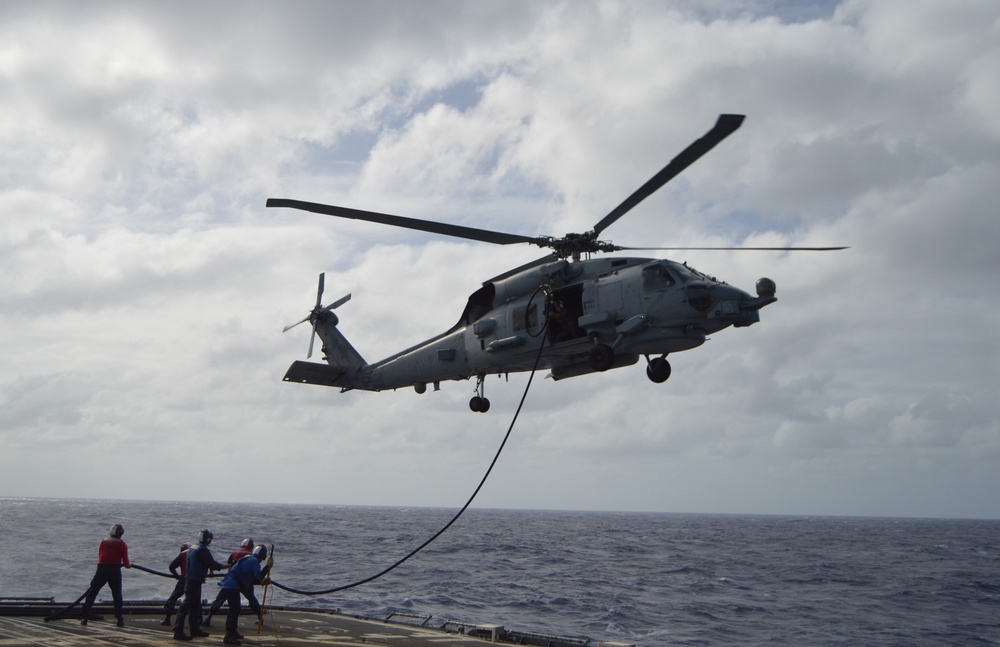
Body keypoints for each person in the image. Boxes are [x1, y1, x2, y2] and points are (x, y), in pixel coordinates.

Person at [173, 529, 228, 641]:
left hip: (191, 578)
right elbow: (212, 564)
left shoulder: (193, 547)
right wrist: (229, 565)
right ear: (207, 539)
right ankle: (179, 631)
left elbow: (201, 562)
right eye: (210, 539)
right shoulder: (203, 550)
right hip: (195, 580)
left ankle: (195, 629)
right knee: (187, 605)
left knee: (195, 606)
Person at [216, 545, 271, 645]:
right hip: (232, 585)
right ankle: (229, 636)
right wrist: (267, 567)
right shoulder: (255, 562)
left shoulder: (247, 557)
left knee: (235, 609)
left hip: (230, 583)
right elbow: (259, 577)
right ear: (261, 556)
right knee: (234, 610)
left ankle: (233, 632)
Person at [80, 523, 132, 627]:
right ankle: (119, 619)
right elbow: (126, 563)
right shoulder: (122, 544)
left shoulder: (103, 542)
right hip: (115, 570)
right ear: (121, 533)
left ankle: (85, 617)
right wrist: (129, 565)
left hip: (102, 569)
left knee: (92, 593)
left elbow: (100, 556)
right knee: (117, 595)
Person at [205, 538, 254, 627]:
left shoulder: (235, 552)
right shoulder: (251, 555)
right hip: (242, 582)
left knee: (219, 600)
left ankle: (209, 617)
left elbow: (229, 564)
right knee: (249, 599)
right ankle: (259, 617)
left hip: (229, 580)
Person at [161, 542, 190, 626]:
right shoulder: (195, 554)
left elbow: (171, 566)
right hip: (194, 579)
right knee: (195, 601)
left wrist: (177, 576)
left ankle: (167, 619)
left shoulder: (182, 555)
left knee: (173, 598)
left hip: (184, 579)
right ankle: (199, 621)